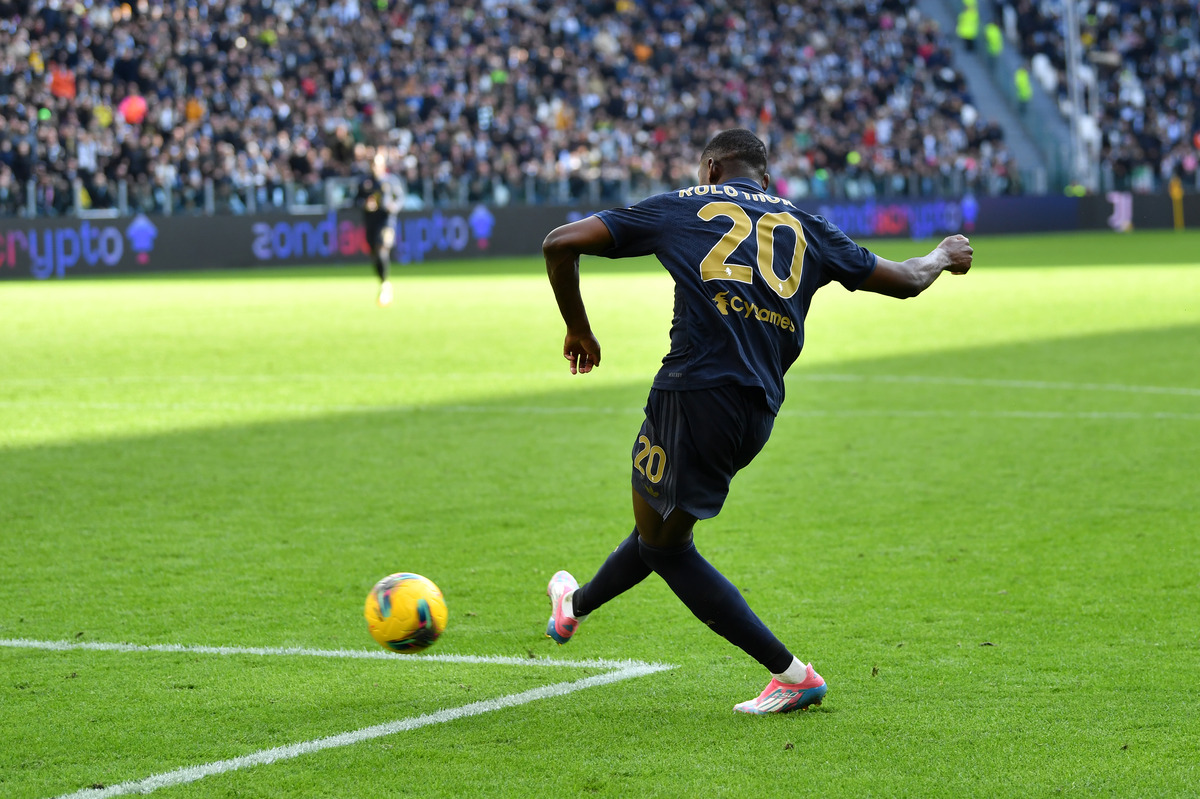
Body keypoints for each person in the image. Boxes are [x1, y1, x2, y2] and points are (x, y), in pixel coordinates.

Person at [541, 128, 973, 714]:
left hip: (692, 394)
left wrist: (578, 328)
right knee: (661, 528)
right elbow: (903, 281)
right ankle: (573, 607)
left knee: (666, 546)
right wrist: (943, 257)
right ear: (766, 180)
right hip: (756, 412)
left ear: (712, 168)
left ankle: (791, 674)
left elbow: (559, 242)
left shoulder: (685, 204)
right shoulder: (806, 225)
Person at [355, 151, 404, 306]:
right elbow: (355, 200)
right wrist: (364, 204)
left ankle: (385, 285)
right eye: (373, 164)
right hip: (371, 222)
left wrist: (393, 206)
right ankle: (384, 282)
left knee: (382, 248)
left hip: (386, 221)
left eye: (377, 164)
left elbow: (400, 198)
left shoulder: (392, 181)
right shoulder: (365, 182)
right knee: (374, 253)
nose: (375, 167)